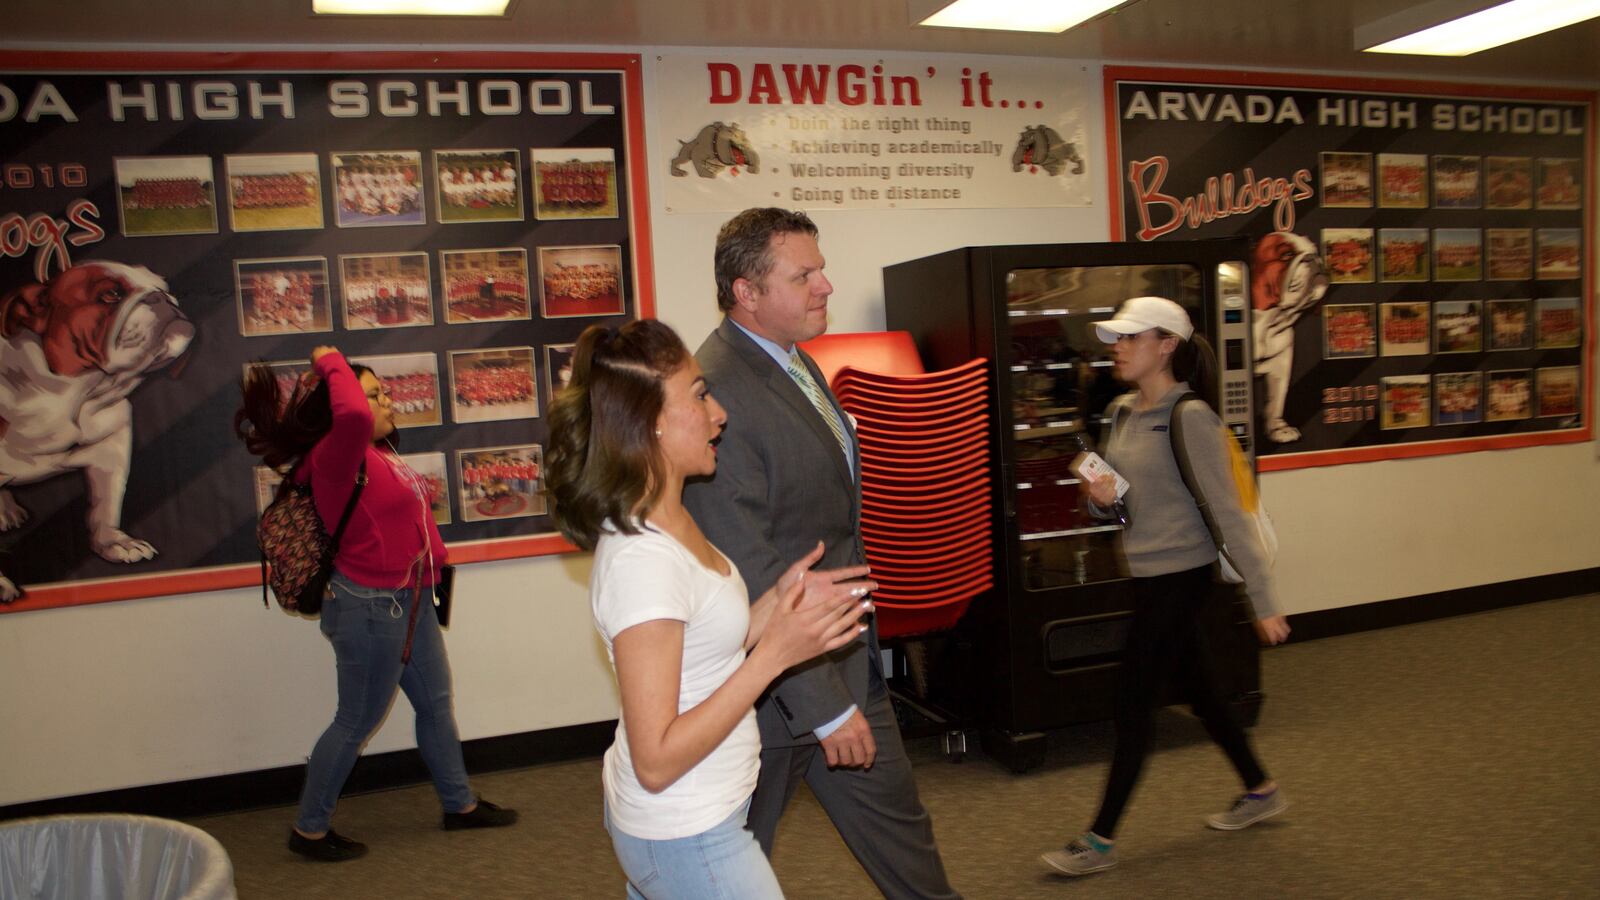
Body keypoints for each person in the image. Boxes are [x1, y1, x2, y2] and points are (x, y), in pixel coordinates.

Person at [680, 208, 960, 899]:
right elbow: (751, 565)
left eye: (820, 268)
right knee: (724, 874)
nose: (826, 285)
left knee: (905, 842)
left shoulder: (793, 362)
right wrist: (825, 708)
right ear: (747, 291)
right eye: (803, 275)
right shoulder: (718, 390)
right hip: (770, 696)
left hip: (842, 657)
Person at [544, 319, 875, 899]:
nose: (718, 412)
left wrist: (779, 604)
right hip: (686, 830)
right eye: (698, 396)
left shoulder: (673, 515)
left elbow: (701, 649)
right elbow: (658, 759)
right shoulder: (643, 560)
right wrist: (773, 657)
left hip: (699, 817)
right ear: (650, 422)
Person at [235, 346, 517, 862]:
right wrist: (327, 359)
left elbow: (416, 524)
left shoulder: (381, 454)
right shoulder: (337, 456)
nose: (385, 401)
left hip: (408, 601)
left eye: (384, 392)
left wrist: (435, 580)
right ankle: (310, 829)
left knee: (435, 704)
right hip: (368, 608)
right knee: (354, 721)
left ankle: (460, 805)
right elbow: (353, 415)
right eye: (374, 393)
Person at [1042, 296, 1291, 877]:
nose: (1118, 348)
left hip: (1183, 578)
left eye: (1132, 338)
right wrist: (1103, 501)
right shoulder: (1124, 412)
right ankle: (1261, 789)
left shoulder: (1193, 417)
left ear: (1167, 346)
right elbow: (1124, 509)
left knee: (1133, 701)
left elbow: (1230, 517)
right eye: (1117, 338)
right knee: (1201, 690)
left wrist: (1264, 602)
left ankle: (1099, 839)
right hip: (1147, 575)